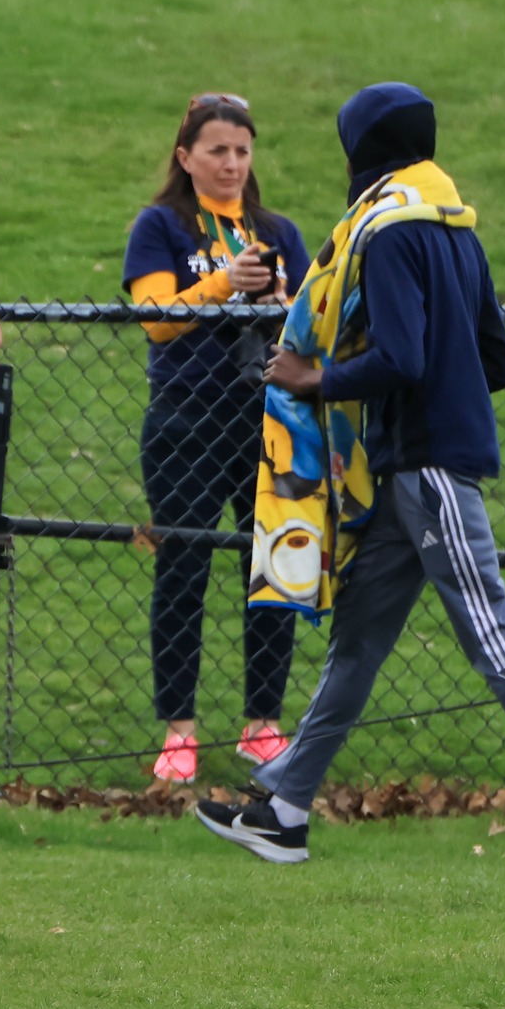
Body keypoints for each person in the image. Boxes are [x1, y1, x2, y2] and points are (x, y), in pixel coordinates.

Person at [195, 83, 505, 871]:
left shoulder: (390, 230)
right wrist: (439, 380)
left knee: (490, 629)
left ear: (363, 149)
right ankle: (284, 810)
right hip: (413, 467)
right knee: (358, 641)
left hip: (426, 464)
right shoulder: (453, 221)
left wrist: (314, 378)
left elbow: (401, 358)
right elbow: (494, 361)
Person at [123, 94, 312, 784]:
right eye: (217, 151)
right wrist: (223, 284)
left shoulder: (278, 231)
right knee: (184, 567)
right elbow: (156, 319)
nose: (232, 163)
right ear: (185, 157)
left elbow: (309, 321)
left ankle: (263, 724)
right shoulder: (161, 225)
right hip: (187, 416)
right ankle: (179, 730)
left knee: (276, 566)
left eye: (241, 150)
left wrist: (274, 306)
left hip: (270, 414)